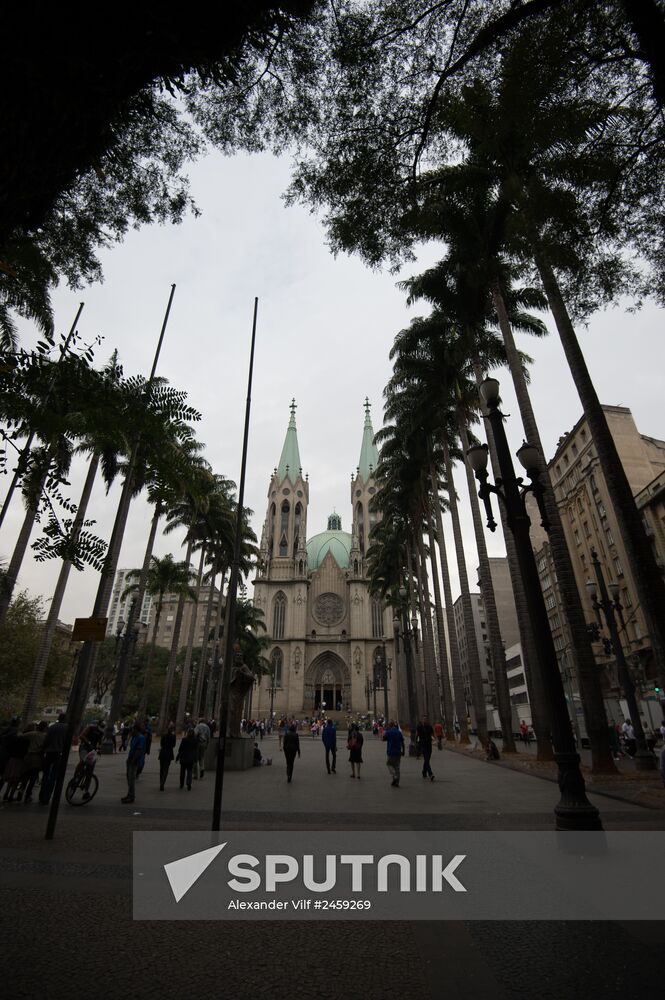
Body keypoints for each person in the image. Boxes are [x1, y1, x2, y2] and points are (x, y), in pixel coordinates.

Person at [38, 713, 68, 805]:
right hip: (59, 754)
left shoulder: (52, 727)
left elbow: (46, 740)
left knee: (46, 774)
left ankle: (42, 795)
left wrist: (43, 750)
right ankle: (47, 797)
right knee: (54, 776)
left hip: (49, 753)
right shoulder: (68, 728)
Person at [20, 720, 48, 803]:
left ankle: (21, 790)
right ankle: (28, 795)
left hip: (28, 757)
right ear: (45, 728)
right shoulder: (45, 736)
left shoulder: (33, 734)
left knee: (25, 776)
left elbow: (21, 736)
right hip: (38, 758)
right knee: (33, 778)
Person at [122, 722, 146, 804]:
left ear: (136, 729)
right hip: (130, 759)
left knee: (131, 779)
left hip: (135, 761)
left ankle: (131, 796)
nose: (131, 731)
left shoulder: (141, 738)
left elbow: (139, 750)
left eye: (132, 729)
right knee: (128, 778)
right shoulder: (134, 737)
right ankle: (129, 794)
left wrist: (133, 760)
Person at [383, 720, 405, 787]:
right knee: (397, 767)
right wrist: (403, 751)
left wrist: (384, 733)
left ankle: (394, 776)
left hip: (391, 751)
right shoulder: (399, 732)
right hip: (398, 752)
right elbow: (402, 742)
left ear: (389, 725)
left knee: (389, 764)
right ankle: (396, 782)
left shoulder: (388, 732)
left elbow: (383, 739)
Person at [416, 715, 435, 781]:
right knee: (426, 759)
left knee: (427, 760)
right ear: (422, 720)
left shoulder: (429, 727)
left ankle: (424, 771)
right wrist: (417, 744)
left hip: (429, 745)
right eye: (423, 719)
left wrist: (434, 738)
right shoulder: (419, 727)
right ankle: (430, 774)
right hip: (423, 745)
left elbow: (432, 734)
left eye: (426, 719)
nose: (425, 720)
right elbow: (417, 735)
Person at [158, 723, 176, 790]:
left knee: (161, 769)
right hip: (169, 753)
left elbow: (161, 744)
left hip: (163, 753)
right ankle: (162, 783)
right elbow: (174, 745)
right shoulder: (173, 736)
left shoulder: (163, 735)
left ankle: (160, 782)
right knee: (166, 769)